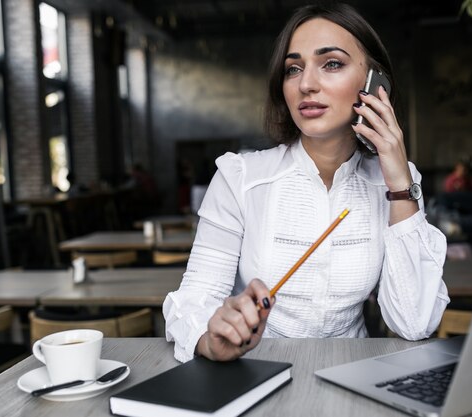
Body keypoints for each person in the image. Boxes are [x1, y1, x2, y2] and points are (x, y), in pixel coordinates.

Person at [163, 3, 448, 363]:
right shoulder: (240, 178)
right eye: (293, 69)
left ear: (376, 85)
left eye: (331, 63)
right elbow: (193, 300)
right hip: (253, 372)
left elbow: (414, 323)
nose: (306, 84)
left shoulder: (398, 184)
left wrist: (397, 179)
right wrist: (210, 338)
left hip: (351, 376)